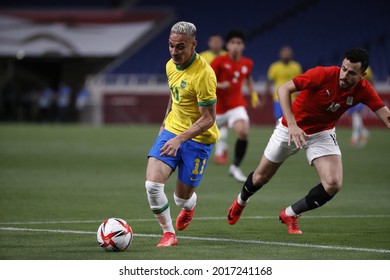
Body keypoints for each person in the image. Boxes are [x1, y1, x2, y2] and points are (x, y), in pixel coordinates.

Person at [227, 48, 390, 234]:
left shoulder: (364, 89)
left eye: (351, 72)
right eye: (343, 68)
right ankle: (241, 201)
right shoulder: (322, 74)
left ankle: (290, 213)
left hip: (322, 133)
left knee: (333, 184)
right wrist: (293, 124)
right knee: (261, 177)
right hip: (290, 128)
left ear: (363, 75)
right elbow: (283, 89)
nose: (344, 75)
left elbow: (386, 116)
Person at [145, 21, 220, 247]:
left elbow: (209, 118)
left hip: (199, 139)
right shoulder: (170, 66)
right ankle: (169, 234)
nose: (174, 52)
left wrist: (180, 139)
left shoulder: (204, 74)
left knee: (181, 199)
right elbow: (174, 94)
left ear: (193, 45)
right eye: (171, 46)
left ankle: (190, 206)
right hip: (172, 131)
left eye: (180, 47)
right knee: (152, 186)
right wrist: (165, 123)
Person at [210, 29, 260, 182]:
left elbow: (248, 77)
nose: (236, 46)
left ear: (243, 46)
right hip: (215, 109)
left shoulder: (247, 63)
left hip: (236, 106)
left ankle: (235, 167)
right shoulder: (219, 61)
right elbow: (206, 81)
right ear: (227, 45)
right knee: (195, 138)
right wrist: (219, 85)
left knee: (243, 131)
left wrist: (253, 92)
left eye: (239, 43)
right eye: (233, 43)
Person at [265, 46, 302, 122]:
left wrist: (300, 94)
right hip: (278, 97)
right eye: (284, 53)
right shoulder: (275, 67)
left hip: (293, 98)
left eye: (288, 53)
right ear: (280, 55)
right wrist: (265, 96)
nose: (286, 55)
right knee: (279, 119)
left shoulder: (296, 66)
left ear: (291, 55)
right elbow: (269, 81)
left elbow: (300, 82)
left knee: (293, 119)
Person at [347, 66, 373, 146]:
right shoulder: (353, 68)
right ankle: (365, 133)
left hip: (361, 95)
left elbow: (370, 80)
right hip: (354, 95)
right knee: (356, 117)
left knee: (356, 116)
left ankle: (354, 138)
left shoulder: (366, 69)